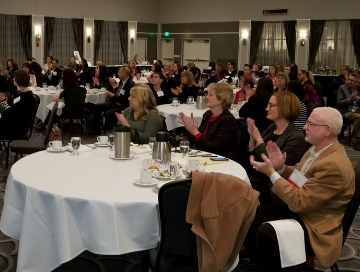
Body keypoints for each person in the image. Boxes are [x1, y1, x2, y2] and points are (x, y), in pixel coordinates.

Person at [246, 107, 355, 271]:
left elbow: (299, 201)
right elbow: (299, 175)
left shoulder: (334, 165)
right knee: (252, 211)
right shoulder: (316, 149)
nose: (304, 127)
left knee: (267, 232)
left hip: (315, 224)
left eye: (310, 124)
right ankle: (260, 262)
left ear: (327, 131)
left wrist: (271, 173)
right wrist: (280, 168)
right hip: (306, 210)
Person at [246, 91, 308, 205]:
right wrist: (252, 135)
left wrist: (258, 139)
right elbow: (252, 152)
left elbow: (273, 165)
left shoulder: (296, 138)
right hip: (255, 178)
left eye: (271, 105)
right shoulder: (272, 127)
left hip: (270, 190)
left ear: (285, 108)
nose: (266, 108)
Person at [178, 83, 239, 161]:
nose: (206, 97)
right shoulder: (208, 114)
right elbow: (199, 142)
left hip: (222, 161)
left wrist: (196, 132)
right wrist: (191, 130)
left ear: (220, 99)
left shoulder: (227, 120)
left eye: (210, 95)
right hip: (205, 157)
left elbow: (215, 149)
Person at [90, 66, 135, 134]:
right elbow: (118, 93)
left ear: (124, 74)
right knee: (97, 106)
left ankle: (109, 129)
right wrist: (113, 91)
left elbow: (125, 100)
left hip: (123, 106)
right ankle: (96, 129)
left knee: (108, 113)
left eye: (119, 72)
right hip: (116, 103)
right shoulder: (121, 82)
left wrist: (114, 96)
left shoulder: (130, 84)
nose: (117, 73)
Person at [0, 70, 35, 137]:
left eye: (15, 77)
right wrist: (7, 102)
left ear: (19, 79)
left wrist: (3, 102)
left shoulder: (27, 97)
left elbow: (15, 115)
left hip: (18, 127)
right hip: (14, 123)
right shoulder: (20, 93)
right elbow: (15, 108)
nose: (13, 79)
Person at [337, 73, 360, 150]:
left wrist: (356, 98)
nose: (350, 81)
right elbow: (339, 103)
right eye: (349, 79)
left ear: (357, 83)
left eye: (352, 81)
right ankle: (356, 141)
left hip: (358, 110)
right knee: (359, 117)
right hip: (347, 111)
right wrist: (350, 99)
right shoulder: (342, 88)